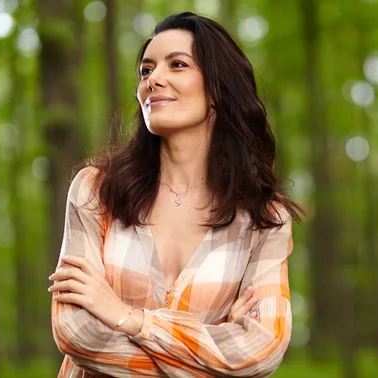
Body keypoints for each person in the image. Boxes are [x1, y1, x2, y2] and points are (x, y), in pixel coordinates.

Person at [48, 11, 304, 378]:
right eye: (146, 70)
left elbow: (261, 350)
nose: (154, 79)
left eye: (177, 65)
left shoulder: (265, 218)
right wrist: (215, 352)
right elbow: (77, 334)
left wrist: (130, 319)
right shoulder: (95, 190)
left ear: (218, 89)